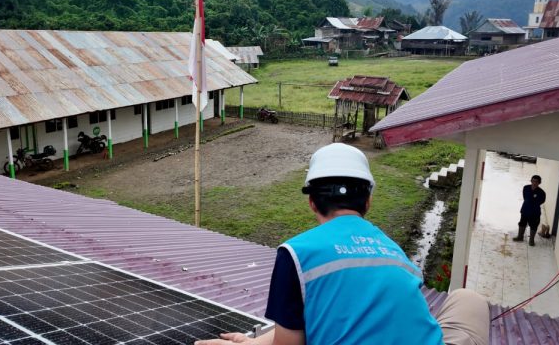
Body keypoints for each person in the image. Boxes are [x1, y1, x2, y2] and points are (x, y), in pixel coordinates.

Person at [196, 143, 489, 345]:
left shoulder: (297, 253)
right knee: (469, 299)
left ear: (312, 203)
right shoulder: (396, 254)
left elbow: (293, 338)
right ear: (369, 202)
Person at [513, 175, 546, 246]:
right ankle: (520, 237)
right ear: (531, 181)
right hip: (525, 210)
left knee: (533, 226)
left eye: (536, 182)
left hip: (535, 213)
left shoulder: (541, 193)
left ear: (539, 183)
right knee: (522, 223)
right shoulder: (526, 188)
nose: (534, 183)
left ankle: (531, 241)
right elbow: (525, 197)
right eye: (533, 181)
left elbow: (541, 201)